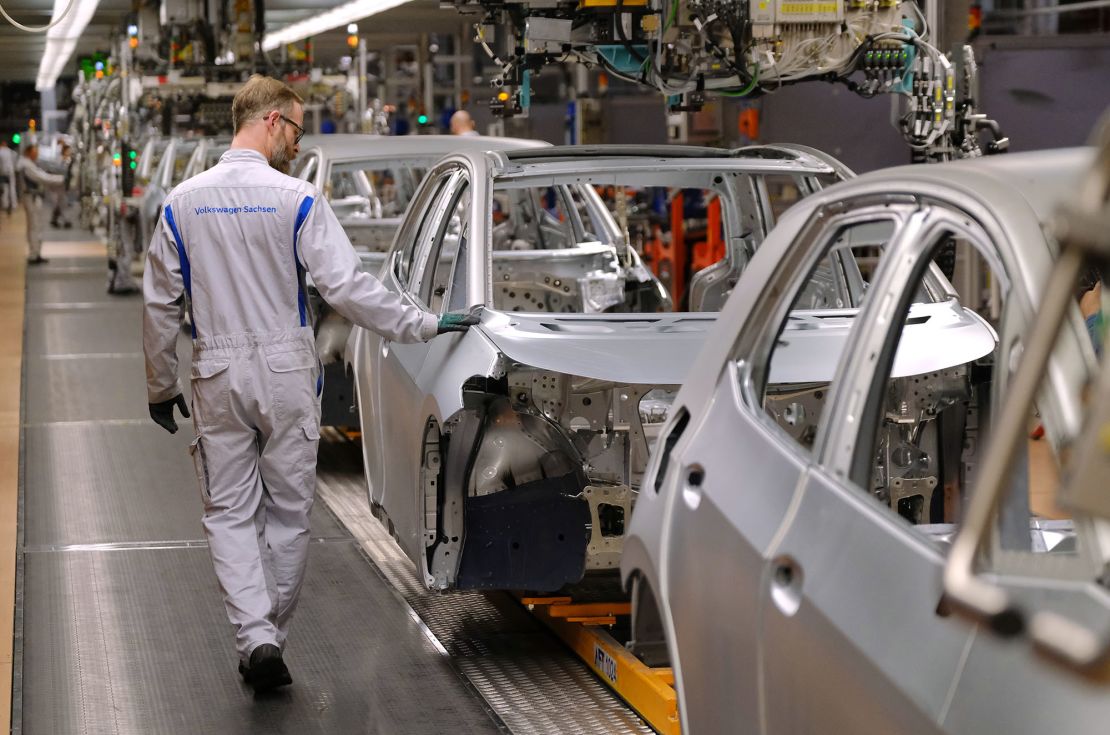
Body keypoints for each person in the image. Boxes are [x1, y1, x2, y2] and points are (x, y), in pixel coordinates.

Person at [142, 75, 479, 694]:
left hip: (216, 372)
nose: (297, 144)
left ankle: (256, 637)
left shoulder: (181, 202)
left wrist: (159, 387)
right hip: (286, 372)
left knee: (228, 512)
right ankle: (268, 635)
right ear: (271, 121)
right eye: (296, 129)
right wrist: (426, 323)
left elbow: (161, 304)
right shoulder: (296, 198)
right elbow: (347, 289)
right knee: (291, 512)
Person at [17, 143, 63, 265]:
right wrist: (61, 179)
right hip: (30, 198)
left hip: (31, 197)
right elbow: (42, 177)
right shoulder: (26, 165)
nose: (36, 154)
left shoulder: (26, 163)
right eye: (34, 151)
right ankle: (34, 254)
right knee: (34, 226)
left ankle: (36, 252)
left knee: (35, 225)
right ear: (28, 152)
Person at [0, 140, 16, 214]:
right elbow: (15, 158)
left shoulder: (0, 151)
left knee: (4, 189)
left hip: (2, 173)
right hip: (10, 172)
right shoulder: (11, 152)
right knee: (12, 188)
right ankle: (13, 204)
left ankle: (5, 204)